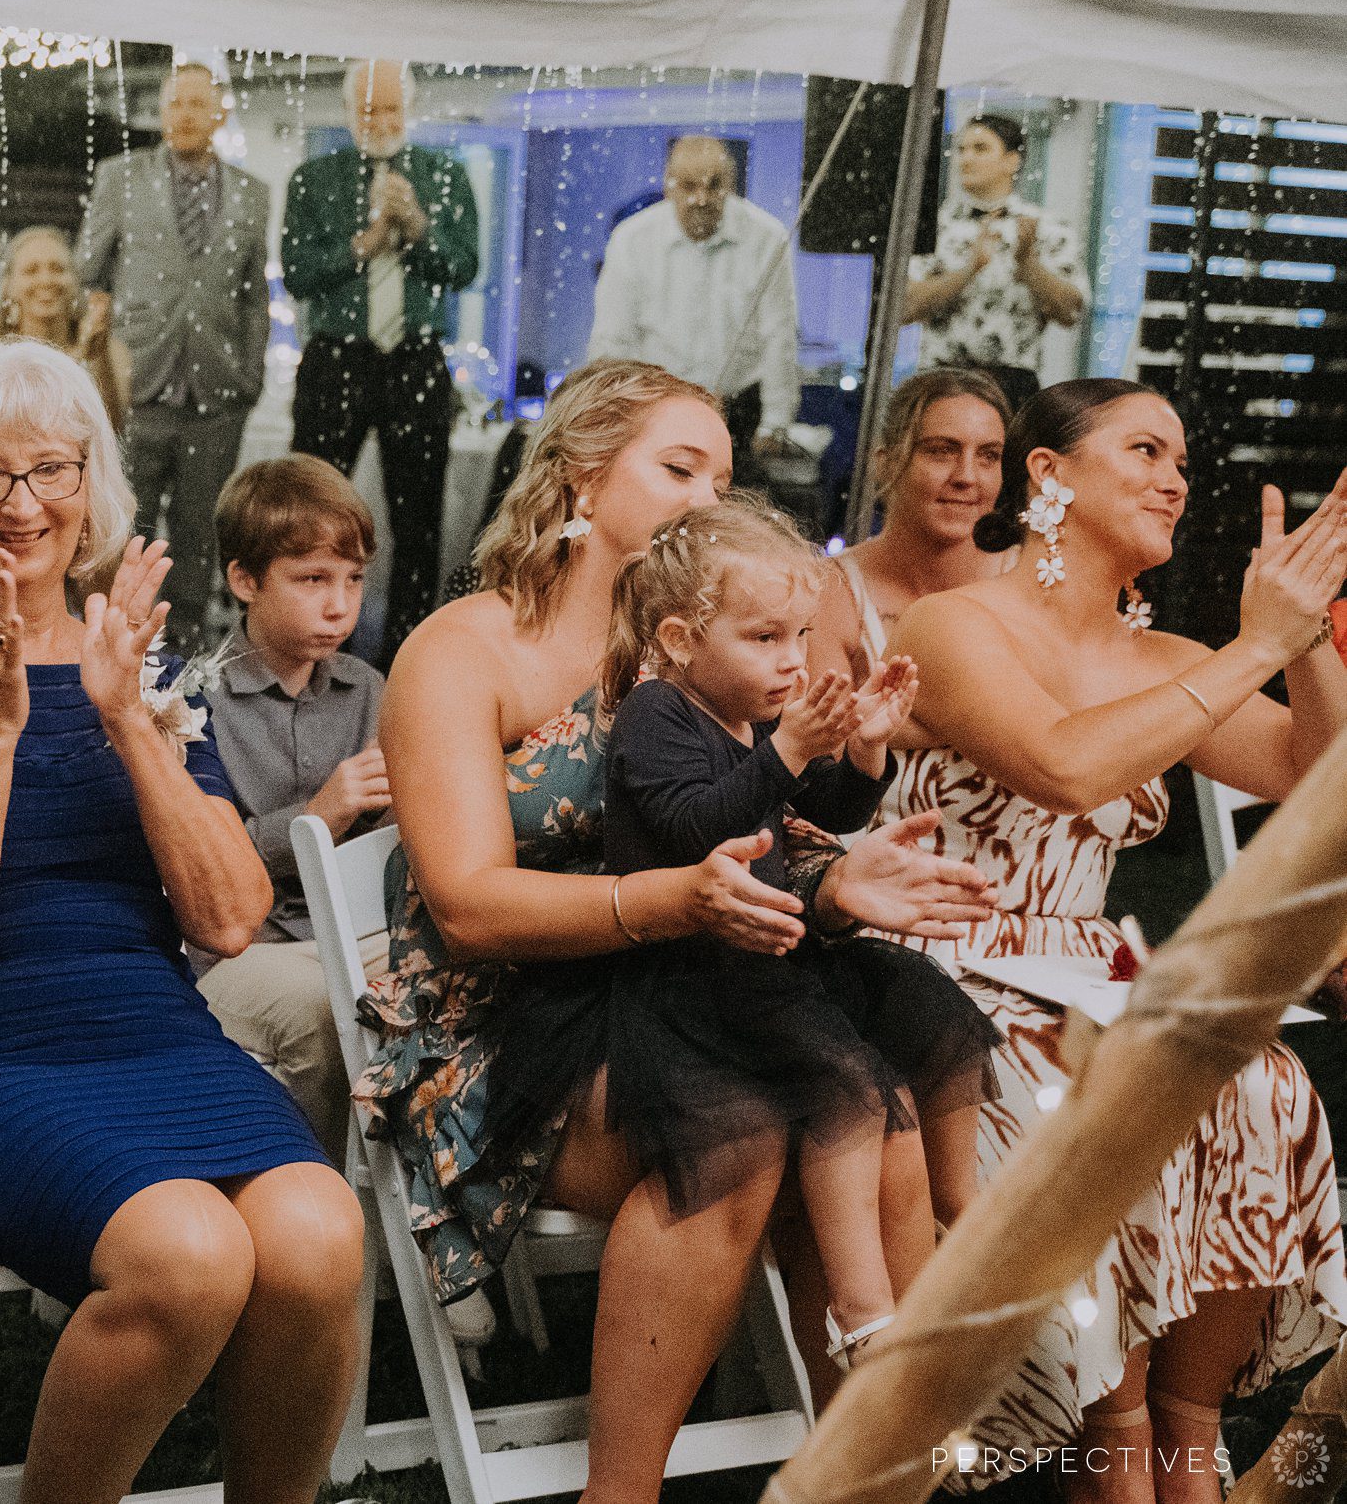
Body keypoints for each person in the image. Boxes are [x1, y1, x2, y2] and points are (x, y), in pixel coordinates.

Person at [355, 359, 997, 1501]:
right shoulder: (465, 648)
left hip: (696, 977)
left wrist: (838, 879)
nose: (709, 499)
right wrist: (674, 902)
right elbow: (465, 904)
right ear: (582, 474)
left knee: (868, 1094)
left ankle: (882, 1462)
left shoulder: (715, 651)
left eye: (724, 475)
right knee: (740, 1127)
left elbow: (752, 825)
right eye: (678, 467)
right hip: (509, 1010)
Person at [0, 339, 365, 1504]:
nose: (23, 506)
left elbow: (229, 917)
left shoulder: (145, 677)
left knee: (319, 1236)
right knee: (190, 1255)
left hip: (154, 1039)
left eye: (51, 470)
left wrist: (124, 719)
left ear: (92, 488)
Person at [884, 379, 1347, 1504]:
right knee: (1100, 1094)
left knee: (1266, 1085)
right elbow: (1064, 764)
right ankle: (1114, 1438)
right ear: (1047, 475)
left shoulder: (1162, 655)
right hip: (948, 969)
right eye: (1144, 449)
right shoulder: (953, 622)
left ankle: (1188, 1423)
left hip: (1089, 963)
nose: (1174, 479)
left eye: (1183, 461)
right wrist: (1250, 646)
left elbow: (1316, 778)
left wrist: (1307, 638)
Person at [598, 495, 995, 1366]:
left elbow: (830, 810)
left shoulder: (755, 714)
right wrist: (786, 753)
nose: (791, 660)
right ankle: (859, 1310)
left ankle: (964, 1210)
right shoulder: (655, 714)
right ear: (677, 640)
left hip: (772, 957)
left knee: (924, 999)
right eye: (765, 637)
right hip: (694, 981)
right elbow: (695, 827)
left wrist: (862, 754)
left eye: (800, 635)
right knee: (846, 1083)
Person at [192, 454, 386, 1159]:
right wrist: (321, 815)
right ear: (244, 580)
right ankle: (316, 1200)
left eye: (354, 579)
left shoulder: (368, 688)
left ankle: (412, 1218)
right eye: (312, 579)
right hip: (237, 953)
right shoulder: (194, 700)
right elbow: (200, 871)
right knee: (324, 1011)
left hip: (348, 934)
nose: (340, 604)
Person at [280, 60, 481, 660]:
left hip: (415, 359)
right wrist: (363, 245)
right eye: (369, 109)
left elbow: (466, 268)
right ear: (347, 112)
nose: (380, 121)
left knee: (417, 523)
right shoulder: (315, 179)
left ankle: (406, 659)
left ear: (409, 111)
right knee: (312, 509)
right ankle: (305, 639)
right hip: (335, 357)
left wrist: (417, 228)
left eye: (391, 109)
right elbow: (299, 274)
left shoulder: (443, 174)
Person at [79, 63, 274, 655]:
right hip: (137, 384)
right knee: (122, 531)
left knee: (198, 539)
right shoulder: (121, 178)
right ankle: (111, 654)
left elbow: (251, 294)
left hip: (217, 395)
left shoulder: (251, 192)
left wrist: (249, 375)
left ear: (219, 113)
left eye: (197, 104)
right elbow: (87, 267)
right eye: (174, 104)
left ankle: (184, 666)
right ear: (161, 113)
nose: (184, 115)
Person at [585, 136, 812, 462]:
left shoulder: (767, 237)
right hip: (656, 408)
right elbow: (612, 341)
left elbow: (779, 336)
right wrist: (614, 416)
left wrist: (776, 422)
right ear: (669, 186)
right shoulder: (632, 240)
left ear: (731, 184)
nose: (700, 198)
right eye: (689, 186)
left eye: (713, 185)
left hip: (739, 412)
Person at [816, 367, 1013, 671]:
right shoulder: (834, 591)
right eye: (941, 452)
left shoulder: (1030, 579)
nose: (967, 477)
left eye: (988, 456)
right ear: (885, 463)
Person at [901, 115, 1087, 401]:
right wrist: (969, 269)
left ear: (1012, 161)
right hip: (942, 378)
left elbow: (1071, 313)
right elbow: (906, 308)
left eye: (980, 148)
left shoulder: (1047, 227)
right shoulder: (934, 226)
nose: (966, 158)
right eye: (961, 149)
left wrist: (1028, 264)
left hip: (1012, 384)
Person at [0, 224, 132, 426]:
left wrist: (96, 357)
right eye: (31, 271)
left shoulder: (113, 354)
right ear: (10, 287)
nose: (46, 280)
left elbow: (111, 430)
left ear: (75, 282)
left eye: (57, 269)